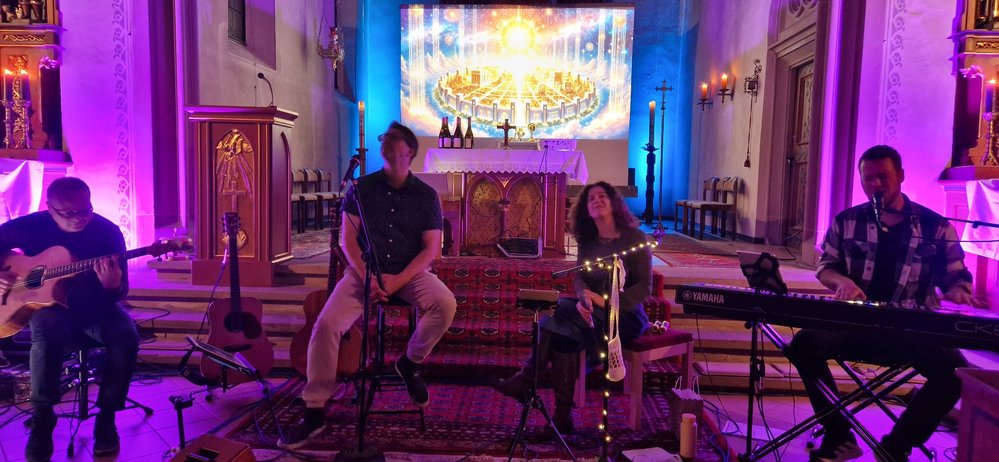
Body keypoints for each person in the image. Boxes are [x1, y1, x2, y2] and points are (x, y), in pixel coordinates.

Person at [784, 145, 985, 462]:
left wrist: (959, 291)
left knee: (955, 373)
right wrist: (841, 282)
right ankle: (839, 437)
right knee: (803, 346)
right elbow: (826, 267)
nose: (876, 184)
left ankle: (896, 446)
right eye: (869, 179)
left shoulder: (935, 226)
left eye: (883, 177)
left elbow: (956, 275)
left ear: (900, 176)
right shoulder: (847, 221)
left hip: (911, 329)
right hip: (853, 322)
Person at [281, 121, 457, 448]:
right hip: (364, 272)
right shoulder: (360, 188)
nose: (386, 143)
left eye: (394, 139)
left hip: (409, 273)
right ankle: (315, 407)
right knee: (326, 324)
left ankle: (410, 362)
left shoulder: (426, 195)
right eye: (384, 139)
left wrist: (397, 280)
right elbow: (348, 241)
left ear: (409, 151)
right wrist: (368, 278)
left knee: (445, 304)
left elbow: (430, 249)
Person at [495, 181, 651, 438]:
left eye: (602, 196)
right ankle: (560, 417)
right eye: (591, 198)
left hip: (625, 316)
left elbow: (644, 288)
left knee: (555, 315)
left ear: (614, 202)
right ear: (585, 210)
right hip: (590, 311)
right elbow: (580, 277)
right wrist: (582, 298)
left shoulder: (635, 237)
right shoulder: (588, 240)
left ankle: (530, 381)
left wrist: (602, 301)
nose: (597, 200)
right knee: (560, 327)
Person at [0, 177, 138, 460]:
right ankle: (43, 418)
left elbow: (121, 290)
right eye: (68, 212)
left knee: (126, 336)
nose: (79, 218)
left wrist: (112, 286)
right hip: (48, 307)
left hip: (96, 308)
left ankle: (107, 417)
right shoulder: (31, 225)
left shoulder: (107, 233)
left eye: (85, 210)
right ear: (50, 208)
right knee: (46, 333)